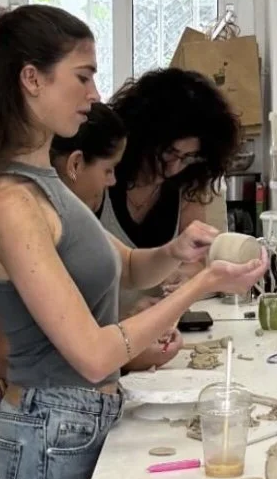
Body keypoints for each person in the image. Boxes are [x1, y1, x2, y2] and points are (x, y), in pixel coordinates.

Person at [0, 0, 267, 479]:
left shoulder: (47, 181)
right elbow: (94, 355)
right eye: (83, 76)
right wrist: (203, 286)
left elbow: (124, 268)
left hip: (73, 431)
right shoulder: (9, 202)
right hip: (42, 440)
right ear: (31, 79)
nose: (94, 94)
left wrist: (180, 252)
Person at [0, 104, 178, 463]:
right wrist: (128, 349)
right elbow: (9, 361)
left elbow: (124, 269)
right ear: (75, 164)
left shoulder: (61, 214)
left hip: (50, 407)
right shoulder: (14, 212)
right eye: (108, 170)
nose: (112, 182)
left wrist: (174, 257)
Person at [99, 67, 240, 312]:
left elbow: (196, 261)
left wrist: (185, 278)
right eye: (168, 153)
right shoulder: (99, 178)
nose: (174, 168)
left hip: (155, 332)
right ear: (141, 139)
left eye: (188, 157)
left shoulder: (186, 186)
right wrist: (124, 318)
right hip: (99, 334)